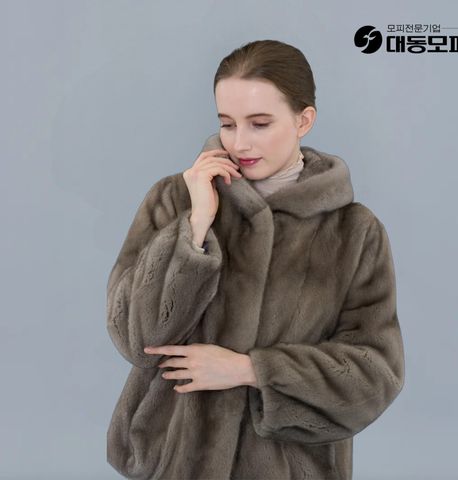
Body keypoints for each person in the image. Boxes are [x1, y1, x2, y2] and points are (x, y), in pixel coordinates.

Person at [106, 39, 405, 480]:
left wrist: (251, 370)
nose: (240, 142)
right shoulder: (176, 200)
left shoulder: (354, 232)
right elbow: (135, 338)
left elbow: (375, 374)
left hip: (290, 467)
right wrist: (195, 226)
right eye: (227, 124)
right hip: (175, 464)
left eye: (260, 123)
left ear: (304, 120)